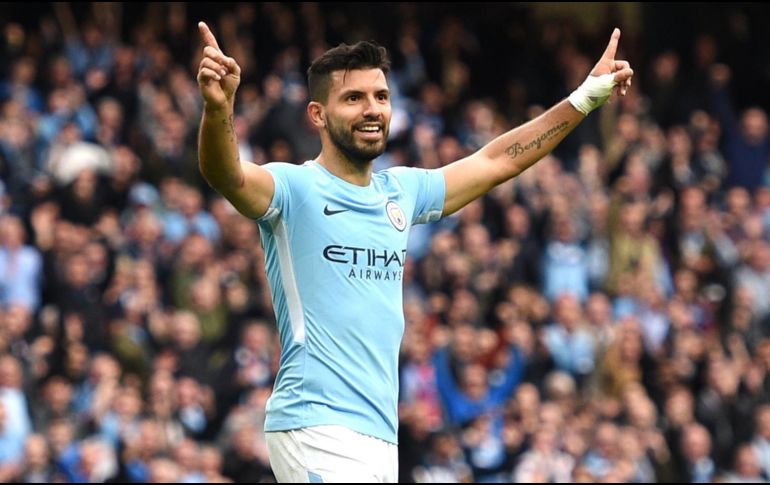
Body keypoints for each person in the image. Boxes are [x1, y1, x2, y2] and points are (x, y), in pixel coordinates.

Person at [196, 21, 633, 483]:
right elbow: (228, 175)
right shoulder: (294, 187)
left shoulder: (400, 191)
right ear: (318, 114)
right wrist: (217, 108)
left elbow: (498, 160)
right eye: (354, 98)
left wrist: (584, 98)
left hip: (380, 436)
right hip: (316, 423)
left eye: (381, 97)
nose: (372, 109)